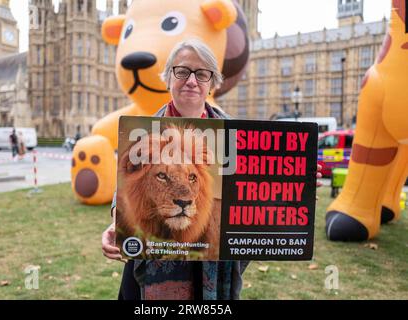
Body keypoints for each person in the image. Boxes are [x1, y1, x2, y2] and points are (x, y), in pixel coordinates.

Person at [102, 39, 322, 300]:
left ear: (212, 82)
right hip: (151, 266)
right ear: (168, 78)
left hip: (213, 270)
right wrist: (117, 223)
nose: (191, 81)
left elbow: (256, 193)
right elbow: (125, 188)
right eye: (182, 71)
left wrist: (297, 190)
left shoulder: (239, 136)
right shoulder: (139, 131)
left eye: (202, 73)